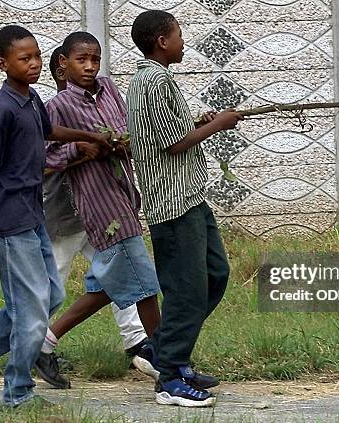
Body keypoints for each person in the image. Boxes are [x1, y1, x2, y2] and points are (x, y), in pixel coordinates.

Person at [0, 25, 116, 408]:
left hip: (33, 214)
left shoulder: (31, 98)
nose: (34, 64)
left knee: (51, 295)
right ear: (3, 63)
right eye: (24, 59)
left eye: (37, 56)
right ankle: (18, 392)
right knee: (31, 311)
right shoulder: (3, 107)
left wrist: (88, 137)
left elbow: (48, 130)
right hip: (9, 222)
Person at [126, 10, 243, 407]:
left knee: (215, 274)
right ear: (162, 40)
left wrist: (201, 121)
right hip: (173, 204)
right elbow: (173, 144)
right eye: (178, 34)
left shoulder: (155, 79)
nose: (183, 40)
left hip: (190, 195)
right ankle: (170, 378)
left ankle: (158, 349)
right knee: (187, 290)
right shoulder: (154, 81)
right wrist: (221, 123)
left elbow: (171, 130)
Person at [40, 32, 162, 385]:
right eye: (82, 60)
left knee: (113, 282)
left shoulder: (109, 89)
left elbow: (127, 131)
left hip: (118, 198)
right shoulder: (55, 108)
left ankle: (139, 345)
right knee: (51, 290)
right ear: (63, 66)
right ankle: (165, 361)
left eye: (95, 59)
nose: (91, 67)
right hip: (79, 210)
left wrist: (120, 143)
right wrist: (78, 149)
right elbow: (42, 157)